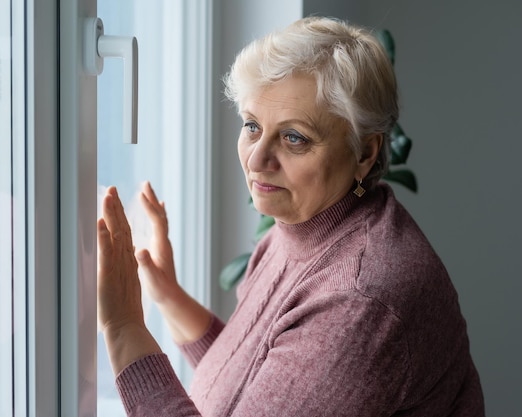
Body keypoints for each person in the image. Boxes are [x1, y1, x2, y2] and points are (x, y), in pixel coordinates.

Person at [97, 16, 484, 416]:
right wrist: (166, 295)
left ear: (365, 154)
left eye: (294, 137)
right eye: (251, 125)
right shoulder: (306, 225)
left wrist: (125, 330)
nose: (257, 159)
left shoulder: (360, 297)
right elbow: (265, 387)